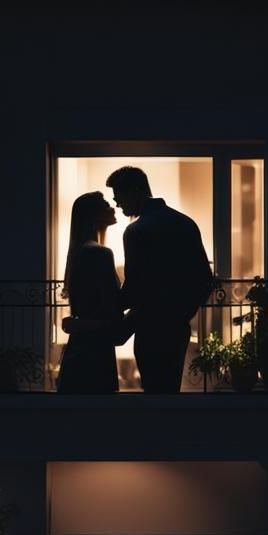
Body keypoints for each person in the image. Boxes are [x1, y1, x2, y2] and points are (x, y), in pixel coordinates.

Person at [106, 166, 212, 393]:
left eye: (119, 197)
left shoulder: (136, 231)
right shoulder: (185, 223)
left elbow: (133, 289)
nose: (117, 204)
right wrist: (184, 312)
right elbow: (204, 279)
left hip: (149, 330)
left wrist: (107, 304)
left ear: (134, 191)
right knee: (169, 391)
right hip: (177, 328)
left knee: (154, 394)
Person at [56, 191, 128, 394]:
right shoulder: (98, 253)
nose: (112, 208)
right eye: (106, 205)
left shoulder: (81, 252)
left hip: (80, 350)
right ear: (92, 214)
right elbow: (112, 308)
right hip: (95, 354)